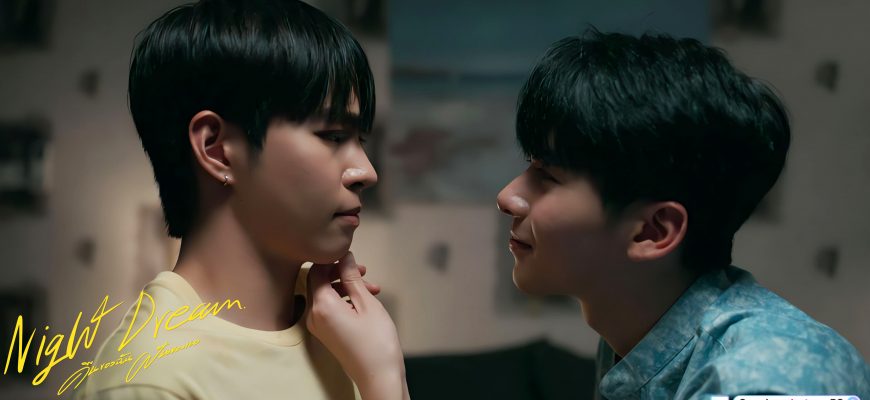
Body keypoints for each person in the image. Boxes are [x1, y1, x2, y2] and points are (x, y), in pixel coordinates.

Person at [310, 30, 870, 399]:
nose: (508, 196)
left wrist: (383, 379)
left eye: (548, 178)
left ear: (652, 231)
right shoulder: (636, 339)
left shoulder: (767, 377)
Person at [74, 1, 406, 399]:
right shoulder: (150, 381)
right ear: (217, 149)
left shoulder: (345, 329)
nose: (367, 171)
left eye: (360, 140)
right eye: (333, 136)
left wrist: (382, 374)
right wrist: (384, 382)